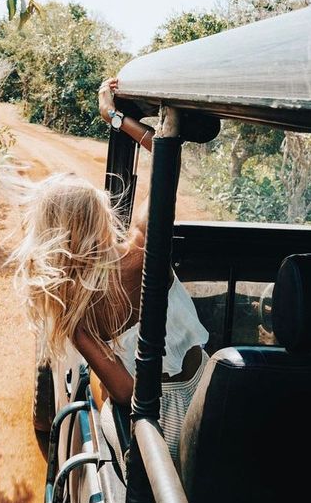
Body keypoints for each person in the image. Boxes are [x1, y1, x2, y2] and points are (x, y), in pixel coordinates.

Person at [11, 77, 209, 466]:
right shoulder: (141, 249)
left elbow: (123, 390)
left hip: (161, 433)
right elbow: (164, 150)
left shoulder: (74, 310)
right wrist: (114, 117)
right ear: (100, 213)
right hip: (209, 396)